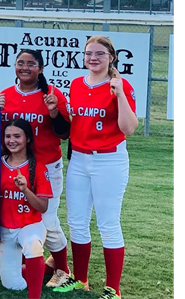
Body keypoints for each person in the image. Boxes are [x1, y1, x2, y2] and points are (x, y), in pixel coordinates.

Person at [53, 36, 137, 299]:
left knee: (108, 223)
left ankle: (114, 288)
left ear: (111, 57)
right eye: (89, 53)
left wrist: (120, 93)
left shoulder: (119, 85)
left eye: (100, 54)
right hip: (79, 158)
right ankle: (81, 280)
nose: (93, 58)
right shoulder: (77, 84)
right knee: (76, 221)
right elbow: (73, 123)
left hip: (109, 159)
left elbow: (129, 128)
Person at [0, 49, 72, 288]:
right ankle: (31, 259)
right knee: (19, 217)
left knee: (46, 220)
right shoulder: (6, 95)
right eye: (20, 63)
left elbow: (64, 133)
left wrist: (53, 111)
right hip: (15, 166)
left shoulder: (51, 94)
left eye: (31, 64)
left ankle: (63, 269)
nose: (25, 67)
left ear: (40, 68)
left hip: (46, 165)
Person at [0, 118, 53, 299]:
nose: (12, 140)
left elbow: (43, 207)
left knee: (32, 246)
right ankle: (38, 270)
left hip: (29, 225)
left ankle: (35, 294)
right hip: (5, 229)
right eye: (8, 136)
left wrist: (25, 190)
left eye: (17, 136)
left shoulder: (38, 167)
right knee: (13, 285)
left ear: (28, 139)